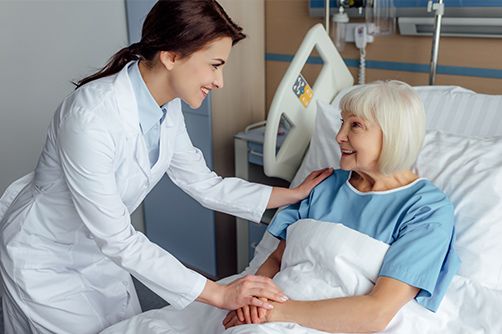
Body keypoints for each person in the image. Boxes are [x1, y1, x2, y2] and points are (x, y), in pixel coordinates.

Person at [0, 1, 332, 333]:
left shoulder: (165, 109)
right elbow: (118, 239)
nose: (220, 81)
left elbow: (204, 184)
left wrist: (292, 195)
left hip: (98, 255)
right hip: (46, 259)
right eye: (214, 65)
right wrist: (219, 293)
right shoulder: (90, 117)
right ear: (171, 56)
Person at [223, 80, 461, 332]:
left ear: (392, 135)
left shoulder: (426, 209)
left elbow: (376, 312)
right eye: (342, 122)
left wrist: (271, 313)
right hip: (270, 307)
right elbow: (277, 257)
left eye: (355, 125)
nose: (339, 136)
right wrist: (252, 300)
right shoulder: (325, 185)